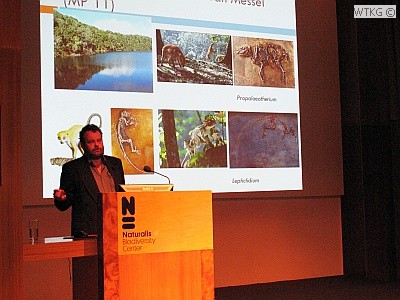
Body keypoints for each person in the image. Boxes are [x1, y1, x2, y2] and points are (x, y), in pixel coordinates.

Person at [53, 124, 125, 235]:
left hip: (116, 229)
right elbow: (63, 205)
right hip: (88, 233)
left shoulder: (115, 164)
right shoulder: (72, 168)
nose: (96, 145)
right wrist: (61, 199)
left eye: (99, 140)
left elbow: (121, 196)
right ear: (82, 145)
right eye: (91, 142)